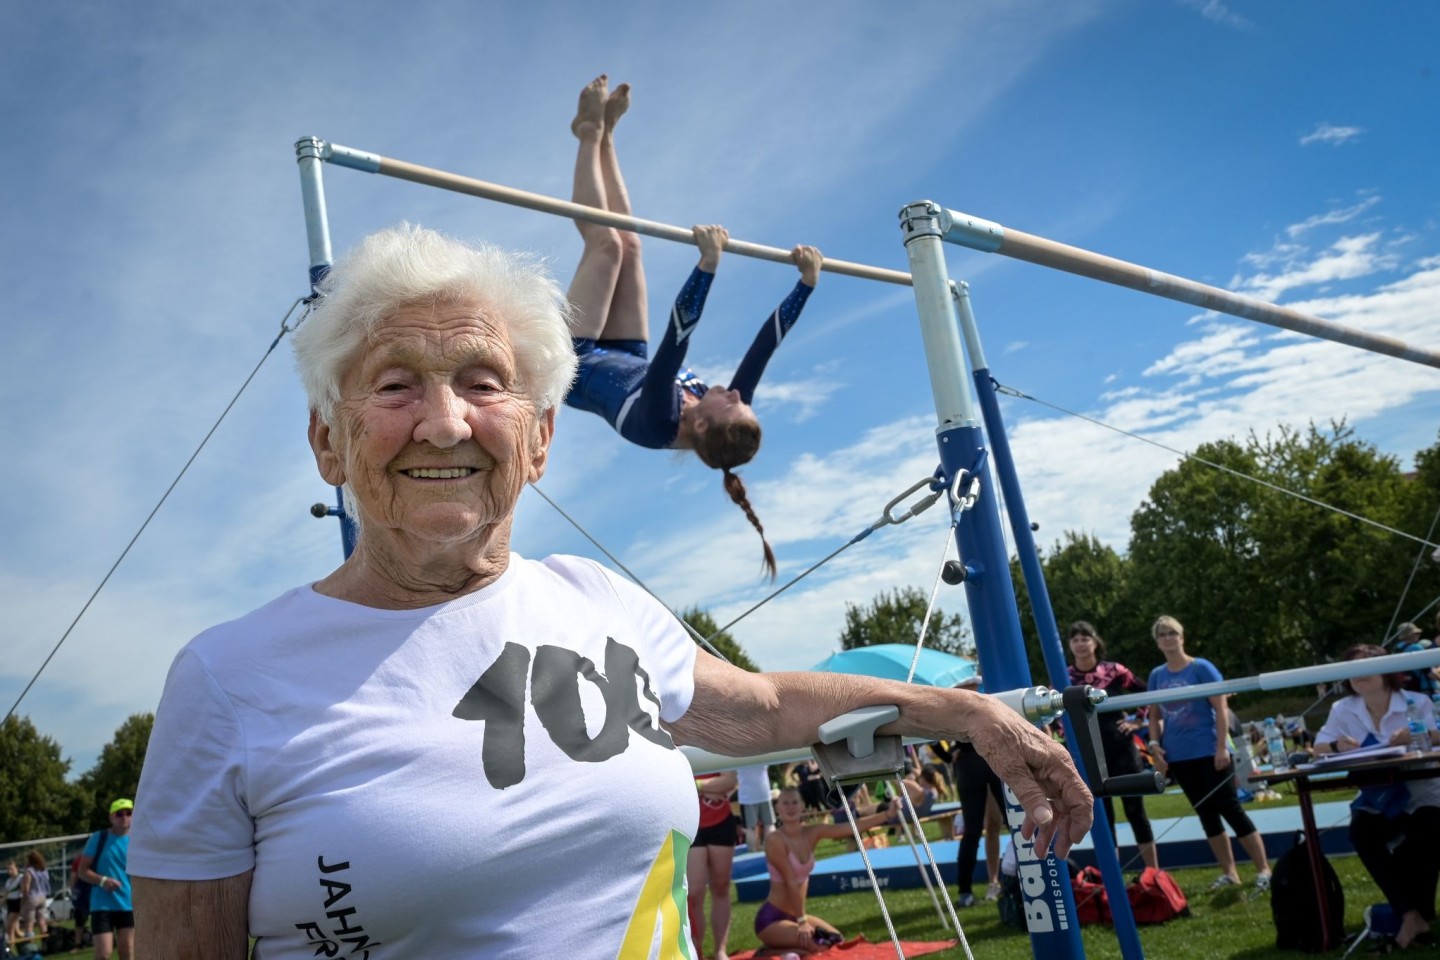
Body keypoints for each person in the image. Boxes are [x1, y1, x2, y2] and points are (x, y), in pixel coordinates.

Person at [127, 223, 1092, 960]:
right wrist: (723, 273)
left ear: (540, 440)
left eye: (482, 381)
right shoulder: (230, 679)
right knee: (616, 236)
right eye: (393, 386)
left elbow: (759, 706)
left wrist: (963, 710)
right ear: (327, 442)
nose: (445, 421)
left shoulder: (595, 597)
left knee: (616, 236)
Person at [562, 75, 822, 578]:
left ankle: (588, 132)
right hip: (625, 354)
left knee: (608, 247)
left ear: (701, 423)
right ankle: (611, 135)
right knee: (632, 246)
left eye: (733, 401)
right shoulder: (717, 412)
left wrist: (707, 266)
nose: (734, 390)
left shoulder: (659, 422)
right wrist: (805, 285)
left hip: (573, 359)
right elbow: (764, 346)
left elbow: (675, 345)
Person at [1314, 644, 1440, 949]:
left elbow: (1438, 734)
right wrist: (1337, 746)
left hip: (1425, 793)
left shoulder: (1416, 701)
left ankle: (1414, 917)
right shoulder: (1341, 709)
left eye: (1364, 668)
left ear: (1385, 670)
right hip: (1378, 798)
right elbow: (1319, 746)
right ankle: (1412, 914)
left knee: (1428, 827)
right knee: (1361, 832)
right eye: (1350, 670)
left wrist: (1418, 734)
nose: (1357, 676)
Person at [1146, 615, 1272, 891]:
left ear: (1182, 636)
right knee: (1206, 814)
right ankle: (1230, 873)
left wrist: (1220, 747)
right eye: (1162, 635)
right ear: (1157, 642)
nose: (1168, 638)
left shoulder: (1200, 667)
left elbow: (1221, 708)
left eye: (1172, 633)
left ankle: (1264, 868)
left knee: (1231, 808)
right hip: (1180, 755)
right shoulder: (1157, 675)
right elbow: (1153, 715)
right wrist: (1155, 747)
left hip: (1209, 751)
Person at [1066, 620, 1159, 869]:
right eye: (1075, 639)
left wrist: (1137, 721)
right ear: (1069, 646)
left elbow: (1147, 693)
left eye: (1085, 638)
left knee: (1135, 811)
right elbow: (1055, 714)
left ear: (1095, 642)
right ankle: (1112, 877)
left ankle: (1154, 873)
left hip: (1122, 747)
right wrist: (1067, 734)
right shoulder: (1065, 676)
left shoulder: (1114, 670)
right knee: (1102, 817)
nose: (1081, 643)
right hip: (1090, 752)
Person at [755, 788, 890, 953]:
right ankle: (772, 951)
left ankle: (784, 946)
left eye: (795, 802)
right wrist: (802, 921)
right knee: (818, 947)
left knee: (836, 940)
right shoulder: (774, 840)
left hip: (795, 916)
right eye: (785, 803)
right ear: (777, 808)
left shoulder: (812, 832)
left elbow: (850, 827)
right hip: (772, 919)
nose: (790, 807)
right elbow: (790, 881)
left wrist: (886, 815)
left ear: (803, 806)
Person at [76, 798, 135, 960]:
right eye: (119, 814)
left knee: (127, 952)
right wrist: (102, 881)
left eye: (129, 813)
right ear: (111, 817)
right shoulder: (98, 838)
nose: (124, 817)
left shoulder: (137, 840)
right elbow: (82, 871)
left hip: (128, 905)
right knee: (103, 954)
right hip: (102, 905)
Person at [690, 770, 739, 960]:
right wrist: (707, 787)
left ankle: (720, 950)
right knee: (694, 893)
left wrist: (697, 786)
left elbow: (730, 781)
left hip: (721, 821)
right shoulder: (677, 741)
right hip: (691, 823)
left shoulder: (718, 739)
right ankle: (696, 951)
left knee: (721, 887)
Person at [736, 763, 775, 853]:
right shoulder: (761, 749)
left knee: (750, 828)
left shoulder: (737, 752)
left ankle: (753, 852)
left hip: (747, 795)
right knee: (769, 824)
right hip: (764, 792)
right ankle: (772, 851)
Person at [18, 850, 49, 941]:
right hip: (42, 897)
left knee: (29, 922)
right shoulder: (43, 870)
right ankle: (46, 942)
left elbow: (26, 888)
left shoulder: (29, 871)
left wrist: (23, 900)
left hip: (33, 897)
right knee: (42, 921)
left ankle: (30, 943)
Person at [4, 860, 22, 945]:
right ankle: (27, 940)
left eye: (11, 869)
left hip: (17, 903)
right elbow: (6, 894)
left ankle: (9, 949)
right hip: (10, 904)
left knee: (9, 927)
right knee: (16, 931)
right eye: (8, 869)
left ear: (17, 868)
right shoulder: (8, 881)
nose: (9, 871)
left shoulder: (21, 878)